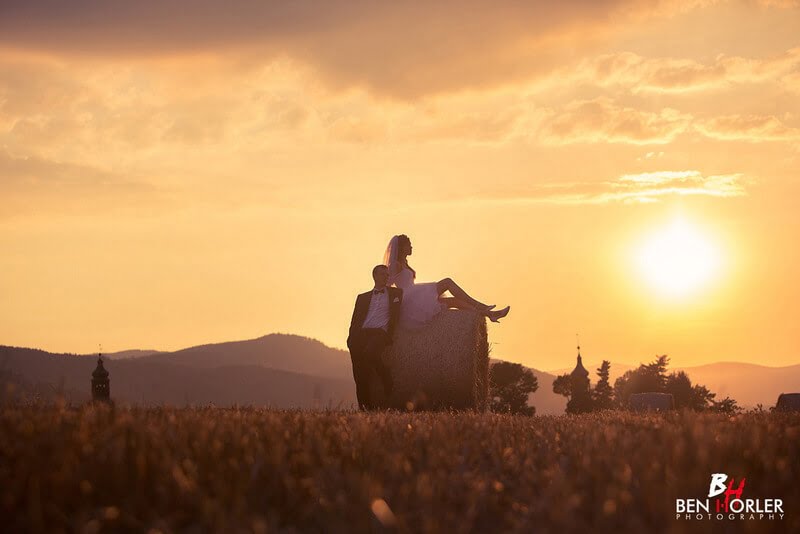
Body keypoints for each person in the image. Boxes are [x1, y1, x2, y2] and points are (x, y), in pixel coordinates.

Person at [383, 234, 510, 328]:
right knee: (447, 282)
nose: (411, 247)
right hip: (410, 299)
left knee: (454, 302)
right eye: (408, 244)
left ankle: (489, 314)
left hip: (416, 295)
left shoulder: (404, 263)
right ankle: (481, 306)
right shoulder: (396, 264)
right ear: (402, 247)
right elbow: (385, 283)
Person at [346, 264, 402, 411]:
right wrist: (351, 339)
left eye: (387, 274)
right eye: (383, 274)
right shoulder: (362, 297)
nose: (386, 277)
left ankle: (385, 375)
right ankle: (365, 408)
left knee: (370, 353)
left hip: (380, 333)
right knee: (360, 375)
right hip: (361, 335)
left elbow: (397, 315)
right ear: (375, 276)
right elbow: (355, 320)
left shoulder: (396, 294)